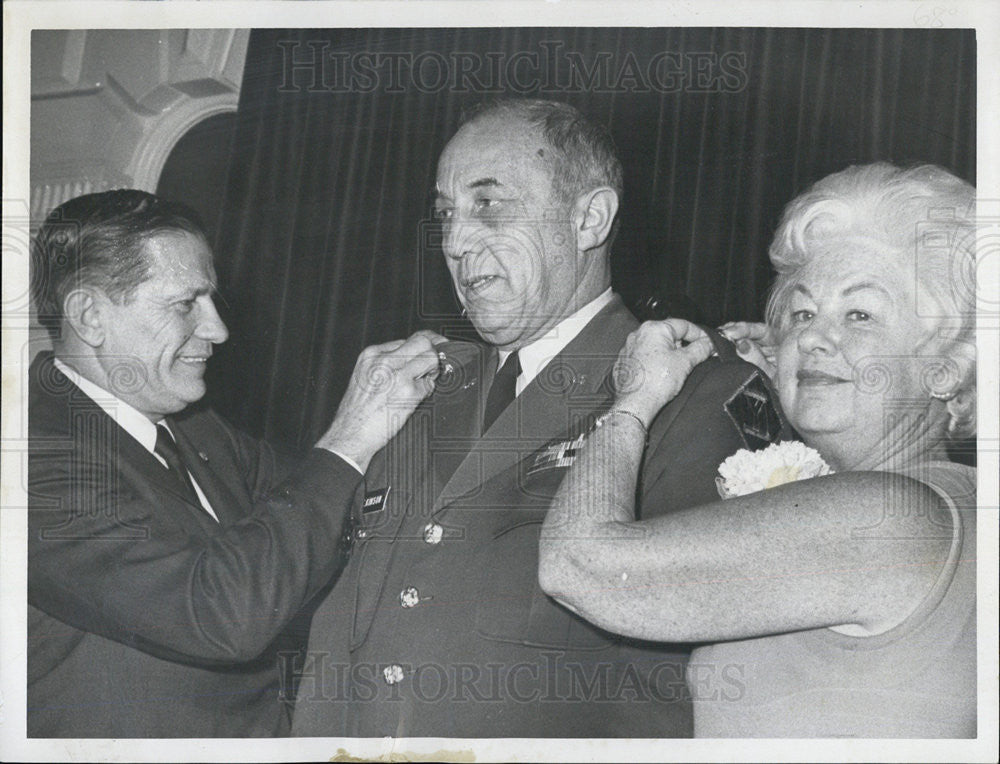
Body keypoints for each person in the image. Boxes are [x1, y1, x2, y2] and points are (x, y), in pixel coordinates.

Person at [292, 98, 787, 737]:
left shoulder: (696, 392)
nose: (456, 241)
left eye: (489, 206)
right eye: (446, 215)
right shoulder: (411, 393)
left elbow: (725, 665)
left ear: (589, 218)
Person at [539, 162, 977, 737]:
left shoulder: (895, 517)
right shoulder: (948, 506)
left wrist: (634, 400)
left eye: (860, 314)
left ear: (946, 367)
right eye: (801, 312)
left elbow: (579, 567)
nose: (811, 337)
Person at [27, 189, 441, 737]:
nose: (217, 329)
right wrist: (349, 435)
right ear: (89, 317)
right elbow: (222, 615)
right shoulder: (33, 460)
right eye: (186, 304)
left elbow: (317, 512)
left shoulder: (192, 425)